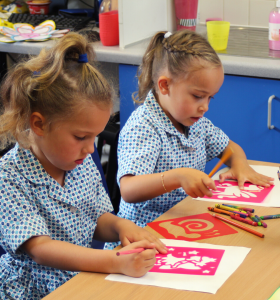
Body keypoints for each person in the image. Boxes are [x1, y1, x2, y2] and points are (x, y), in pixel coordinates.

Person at [0, 32, 167, 300]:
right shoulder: (8, 177)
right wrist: (114, 261)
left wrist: (122, 227)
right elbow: (41, 250)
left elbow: (97, 218)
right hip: (34, 293)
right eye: (80, 137)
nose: (91, 148)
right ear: (39, 124)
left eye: (95, 137)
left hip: (82, 281)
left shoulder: (79, 161)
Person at [105, 30, 274, 250]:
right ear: (165, 85)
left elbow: (230, 148)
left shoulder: (194, 120)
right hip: (143, 238)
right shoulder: (144, 127)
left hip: (184, 225)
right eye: (197, 96)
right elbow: (128, 190)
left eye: (209, 97)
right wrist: (178, 177)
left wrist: (240, 165)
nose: (205, 106)